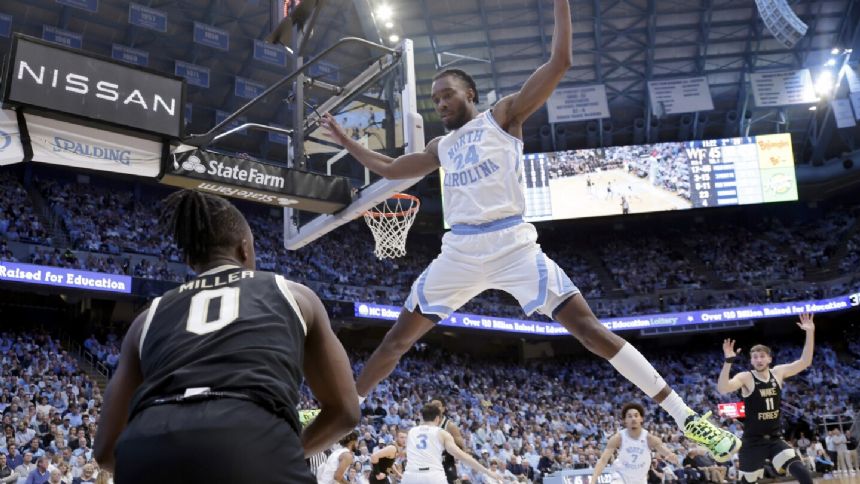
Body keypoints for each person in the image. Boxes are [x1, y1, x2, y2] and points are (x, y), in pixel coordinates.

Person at [322, 0, 740, 463]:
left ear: (470, 94)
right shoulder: (442, 146)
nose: (439, 101)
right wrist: (344, 139)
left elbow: (560, 62)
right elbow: (390, 167)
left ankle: (687, 417)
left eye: (448, 93)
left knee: (589, 331)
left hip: (513, 246)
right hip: (459, 251)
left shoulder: (502, 117)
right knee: (397, 339)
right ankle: (341, 406)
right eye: (435, 97)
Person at [92, 190, 360, 483]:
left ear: (192, 261)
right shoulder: (294, 295)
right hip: (250, 434)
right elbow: (345, 412)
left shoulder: (146, 318)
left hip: (146, 446)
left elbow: (105, 450)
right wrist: (285, 451)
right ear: (245, 249)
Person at [716, 312, 816, 484]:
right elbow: (723, 388)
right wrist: (728, 362)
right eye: (755, 357)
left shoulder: (778, 372)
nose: (759, 359)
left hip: (775, 439)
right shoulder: (746, 377)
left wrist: (810, 332)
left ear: (769, 358)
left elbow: (805, 361)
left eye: (762, 356)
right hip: (752, 442)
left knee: (801, 470)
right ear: (751, 361)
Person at [401, 404, 499, 484]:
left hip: (410, 476)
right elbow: (462, 456)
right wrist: (487, 472)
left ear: (422, 417)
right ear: (437, 418)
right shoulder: (441, 433)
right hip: (432, 476)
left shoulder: (411, 432)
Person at [591, 403, 679, 484]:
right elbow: (603, 460)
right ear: (625, 420)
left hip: (640, 479)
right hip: (621, 476)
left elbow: (666, 452)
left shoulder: (650, 438)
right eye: (629, 416)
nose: (633, 418)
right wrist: (593, 480)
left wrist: (671, 456)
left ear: (641, 418)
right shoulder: (618, 438)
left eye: (636, 416)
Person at [430, 398, 466, 483]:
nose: (434, 408)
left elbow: (461, 445)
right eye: (432, 406)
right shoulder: (425, 425)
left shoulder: (450, 426)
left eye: (437, 405)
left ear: (443, 408)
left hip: (446, 463)